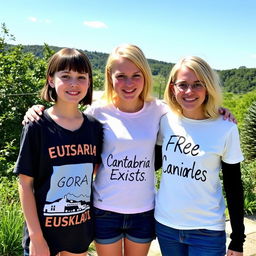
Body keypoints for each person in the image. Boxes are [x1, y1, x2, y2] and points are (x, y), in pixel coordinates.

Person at [22, 45, 235, 256]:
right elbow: (68, 119)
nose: (129, 83)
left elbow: (190, 106)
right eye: (121, 75)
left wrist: (218, 112)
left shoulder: (160, 110)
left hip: (143, 211)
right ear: (109, 76)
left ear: (145, 75)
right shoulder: (96, 112)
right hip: (105, 210)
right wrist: (37, 109)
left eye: (136, 75)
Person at [14, 48, 103, 256]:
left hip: (79, 233)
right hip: (43, 235)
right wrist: (36, 238)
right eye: (65, 76)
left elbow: (95, 172)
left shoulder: (94, 127)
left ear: (89, 82)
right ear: (51, 80)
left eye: (81, 77)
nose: (74, 83)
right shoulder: (37, 126)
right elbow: (25, 184)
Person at [155, 56, 245, 256]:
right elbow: (152, 163)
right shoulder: (164, 121)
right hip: (166, 226)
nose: (189, 91)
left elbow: (234, 185)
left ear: (208, 87)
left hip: (207, 230)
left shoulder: (225, 128)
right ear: (172, 88)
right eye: (183, 85)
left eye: (197, 84)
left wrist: (238, 238)